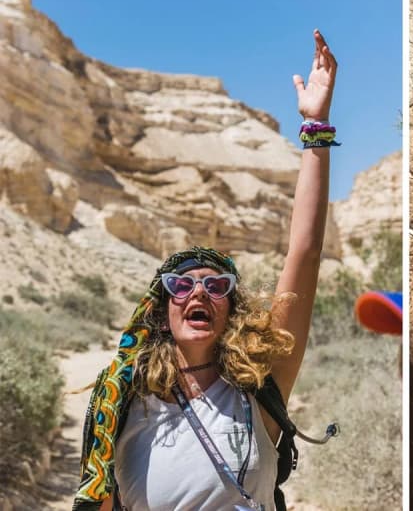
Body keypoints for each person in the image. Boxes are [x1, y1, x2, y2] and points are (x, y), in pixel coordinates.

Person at [73, 29, 338, 511]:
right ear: (161, 309)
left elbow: (306, 250)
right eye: (182, 286)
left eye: (217, 287)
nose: (199, 294)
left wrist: (316, 125)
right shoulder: (122, 403)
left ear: (230, 308)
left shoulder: (260, 387)